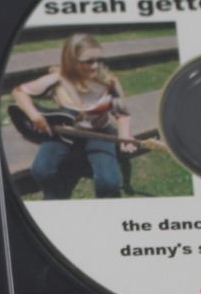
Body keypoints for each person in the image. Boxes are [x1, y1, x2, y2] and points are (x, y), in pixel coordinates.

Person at [11, 33, 139, 200]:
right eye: (89, 61)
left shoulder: (109, 82)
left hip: (99, 133)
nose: (96, 66)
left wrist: (124, 135)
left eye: (99, 60)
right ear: (71, 61)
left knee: (109, 183)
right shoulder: (58, 80)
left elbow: (121, 113)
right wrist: (34, 115)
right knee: (41, 170)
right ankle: (55, 197)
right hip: (64, 134)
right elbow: (19, 92)